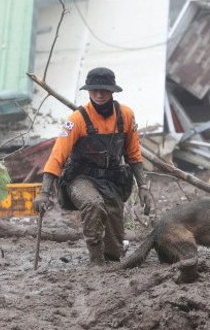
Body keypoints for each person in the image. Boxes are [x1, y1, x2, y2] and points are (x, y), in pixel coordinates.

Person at [32, 67, 153, 265]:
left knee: (114, 226)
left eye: (104, 90)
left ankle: (111, 259)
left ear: (112, 91)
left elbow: (133, 154)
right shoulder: (77, 120)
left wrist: (144, 187)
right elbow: (57, 157)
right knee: (93, 205)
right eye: (94, 90)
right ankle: (95, 260)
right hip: (80, 179)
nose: (98, 94)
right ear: (88, 91)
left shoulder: (126, 116)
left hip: (111, 180)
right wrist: (44, 193)